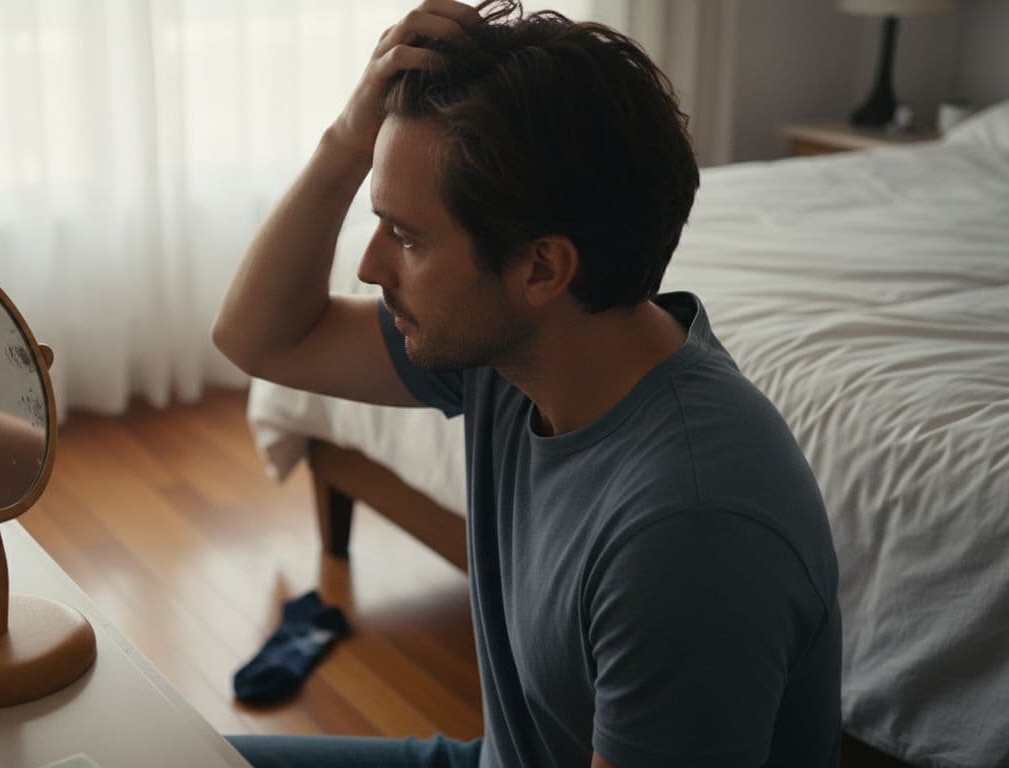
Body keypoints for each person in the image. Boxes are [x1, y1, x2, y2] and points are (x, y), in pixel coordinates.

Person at [212, 1, 842, 766]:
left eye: (406, 238)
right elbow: (261, 338)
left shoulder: (689, 533)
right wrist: (349, 138)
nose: (370, 266)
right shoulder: (517, 355)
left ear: (542, 268)